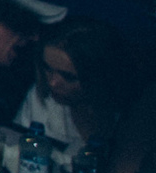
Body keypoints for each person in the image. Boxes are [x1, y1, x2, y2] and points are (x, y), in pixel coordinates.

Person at [15, 16, 131, 159]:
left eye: (68, 77)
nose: (52, 83)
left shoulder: (127, 120)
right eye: (48, 68)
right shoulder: (39, 97)